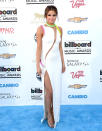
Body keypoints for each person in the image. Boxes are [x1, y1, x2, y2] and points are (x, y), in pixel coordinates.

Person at [36, 5, 66, 128]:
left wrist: (63, 63)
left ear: (56, 16)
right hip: (46, 64)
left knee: (55, 91)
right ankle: (49, 115)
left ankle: (52, 112)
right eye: (49, 15)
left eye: (54, 15)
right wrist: (37, 65)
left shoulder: (60, 29)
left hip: (57, 63)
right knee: (49, 91)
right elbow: (38, 48)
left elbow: (60, 47)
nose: (52, 17)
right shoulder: (41, 28)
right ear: (45, 16)